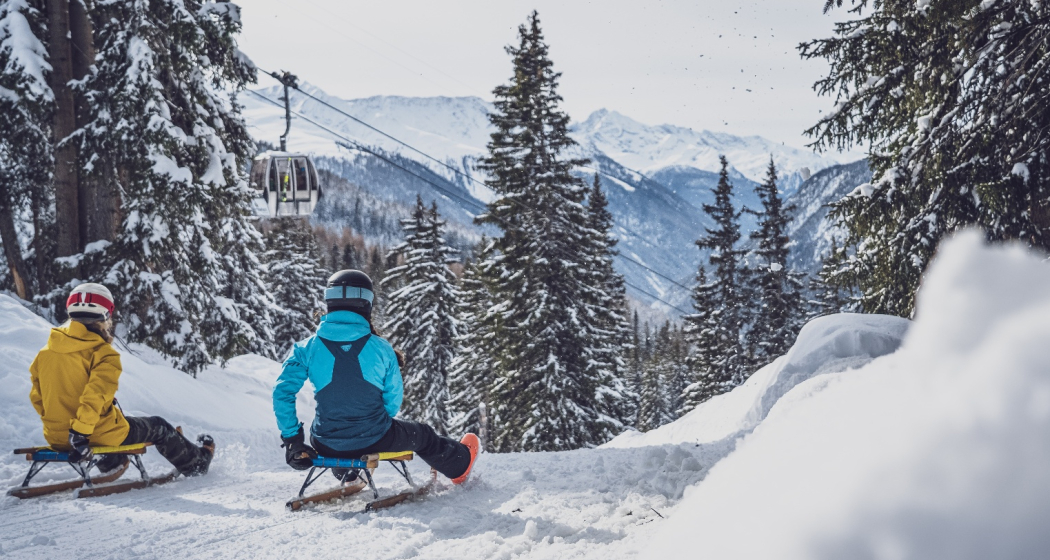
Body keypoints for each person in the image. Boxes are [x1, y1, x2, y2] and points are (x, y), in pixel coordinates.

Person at [272, 270, 479, 484]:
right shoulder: (381, 348)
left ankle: (347, 471)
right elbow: (393, 403)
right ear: (367, 303)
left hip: (325, 442)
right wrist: (370, 423)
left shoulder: (307, 347)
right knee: (423, 435)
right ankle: (460, 464)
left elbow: (282, 392)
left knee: (338, 435)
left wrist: (292, 439)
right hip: (376, 438)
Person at [29, 283, 215, 476]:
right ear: (105, 314)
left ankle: (112, 463)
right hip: (90, 435)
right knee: (158, 425)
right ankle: (196, 464)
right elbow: (96, 395)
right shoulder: (103, 353)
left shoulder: (45, 353)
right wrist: (80, 432)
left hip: (57, 436)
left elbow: (37, 397)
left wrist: (60, 424)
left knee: (115, 423)